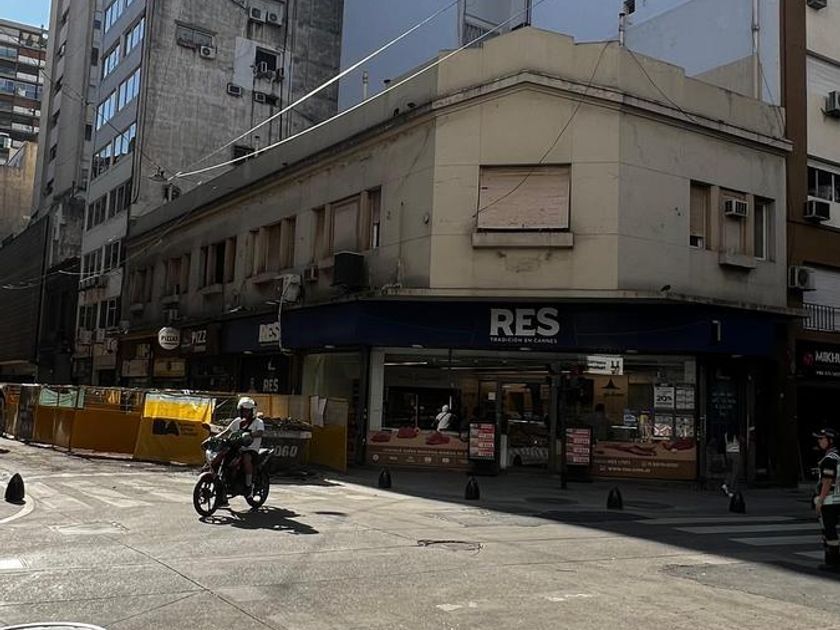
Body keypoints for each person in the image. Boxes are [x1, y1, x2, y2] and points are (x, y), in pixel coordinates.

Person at [215, 396, 265, 497]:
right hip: (236, 448)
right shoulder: (237, 421)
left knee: (246, 458)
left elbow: (260, 432)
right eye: (243, 411)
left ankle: (249, 486)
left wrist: (250, 434)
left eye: (247, 411)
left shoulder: (258, 422)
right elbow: (227, 431)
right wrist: (215, 438)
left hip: (250, 450)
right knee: (221, 455)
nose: (245, 413)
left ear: (252, 411)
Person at [814, 428, 840, 572]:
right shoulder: (837, 456)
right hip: (838, 499)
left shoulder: (829, 459)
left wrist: (820, 500)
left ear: (830, 440)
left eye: (821, 439)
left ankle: (833, 561)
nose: (819, 441)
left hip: (830, 501)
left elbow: (827, 481)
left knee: (829, 532)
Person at [721, 430, 742, 498]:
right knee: (735, 472)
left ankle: (726, 483)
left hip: (728, 453)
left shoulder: (726, 434)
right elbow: (741, 441)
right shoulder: (737, 435)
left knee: (729, 470)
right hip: (735, 453)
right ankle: (731, 489)